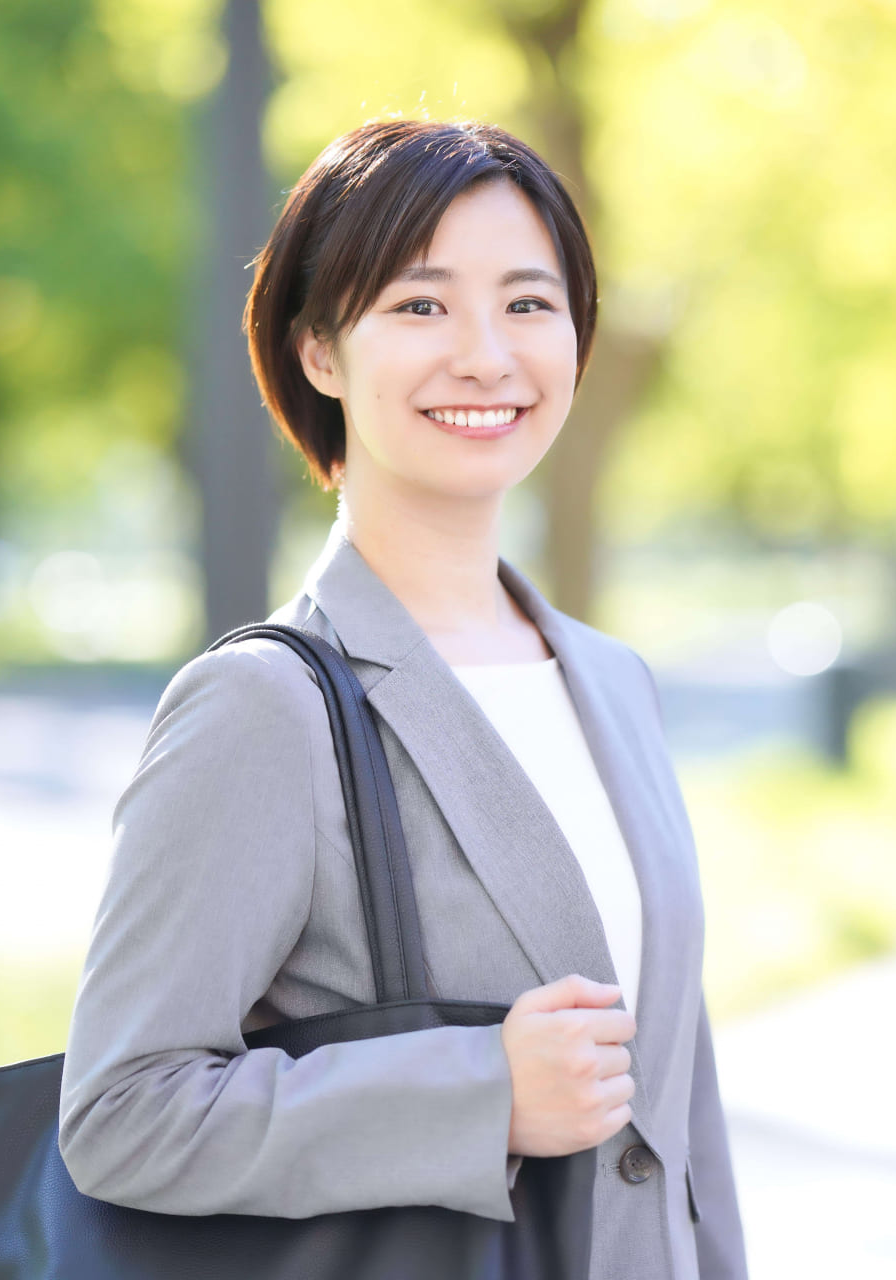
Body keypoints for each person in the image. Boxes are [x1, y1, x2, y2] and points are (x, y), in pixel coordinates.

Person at [55, 118, 749, 1280]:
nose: (486, 354)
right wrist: (480, 1093)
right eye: (421, 306)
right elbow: (123, 1112)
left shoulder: (612, 681)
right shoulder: (263, 707)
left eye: (530, 304)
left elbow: (680, 1122)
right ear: (320, 349)